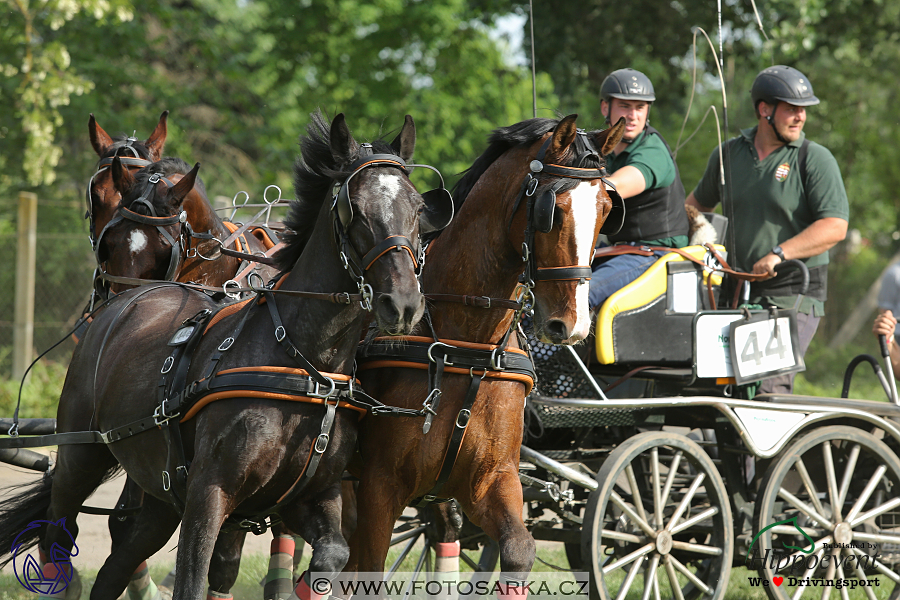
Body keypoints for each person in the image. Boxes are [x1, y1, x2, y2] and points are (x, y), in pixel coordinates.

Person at [686, 65, 849, 394]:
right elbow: (693, 207)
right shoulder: (728, 154)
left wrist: (779, 254)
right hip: (737, 290)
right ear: (765, 110)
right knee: (719, 389)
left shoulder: (814, 159)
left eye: (803, 110)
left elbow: (835, 227)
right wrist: (699, 235)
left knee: (767, 388)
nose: (800, 117)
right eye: (791, 109)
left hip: (793, 292)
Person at [588, 68, 690, 309]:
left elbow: (612, 188)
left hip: (656, 255)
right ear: (606, 108)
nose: (633, 115)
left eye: (640, 107)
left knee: (578, 296)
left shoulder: (652, 151)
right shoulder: (601, 147)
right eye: (624, 106)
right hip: (617, 252)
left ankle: (547, 348)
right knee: (543, 283)